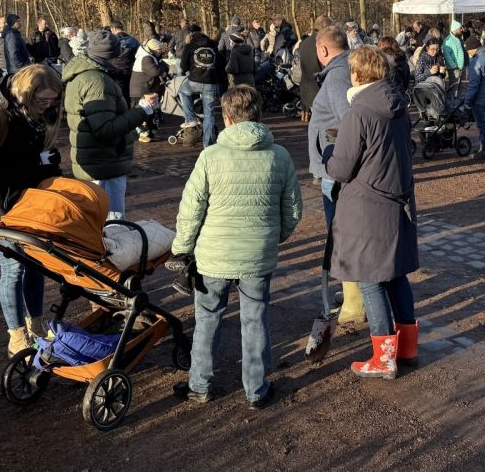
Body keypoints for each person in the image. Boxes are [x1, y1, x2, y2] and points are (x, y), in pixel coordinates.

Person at [171, 86, 301, 407]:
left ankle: (199, 385)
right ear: (258, 114)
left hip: (213, 256)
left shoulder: (210, 156)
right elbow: (293, 210)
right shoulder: (279, 156)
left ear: (226, 118)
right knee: (255, 319)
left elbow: (191, 209)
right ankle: (256, 390)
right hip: (257, 256)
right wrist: (273, 238)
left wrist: (183, 248)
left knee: (208, 318)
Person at [322, 46, 418, 379]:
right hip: (396, 201)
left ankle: (384, 358)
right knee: (396, 275)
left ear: (358, 74)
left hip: (366, 206)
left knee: (370, 280)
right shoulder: (398, 106)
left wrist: (328, 153)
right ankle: (407, 348)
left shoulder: (359, 112)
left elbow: (342, 169)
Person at [0, 64, 62, 354]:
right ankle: (16, 334)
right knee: (13, 268)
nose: (46, 106)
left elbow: (33, 157)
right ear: (24, 92)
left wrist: (48, 162)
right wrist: (34, 163)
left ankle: (35, 322)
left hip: (29, 203)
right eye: (41, 100)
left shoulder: (36, 117)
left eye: (51, 101)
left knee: (35, 265)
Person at [62, 29, 156, 219]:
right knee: (113, 224)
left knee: (97, 221)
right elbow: (105, 130)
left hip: (95, 160)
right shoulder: (97, 81)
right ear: (111, 56)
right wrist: (143, 110)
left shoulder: (81, 74)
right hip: (104, 162)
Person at [307, 25, 366, 323]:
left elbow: (348, 122)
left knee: (341, 233)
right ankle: (352, 289)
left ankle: (356, 302)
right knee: (341, 232)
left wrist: (338, 163)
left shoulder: (336, 75)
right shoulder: (344, 70)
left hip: (336, 170)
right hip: (335, 167)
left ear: (324, 49)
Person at [178, 26, 224, 147]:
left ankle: (191, 118)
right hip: (211, 83)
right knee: (209, 114)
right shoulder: (213, 45)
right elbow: (220, 64)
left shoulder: (190, 46)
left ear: (190, 35)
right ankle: (207, 145)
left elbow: (183, 66)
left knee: (183, 91)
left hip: (194, 81)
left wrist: (193, 68)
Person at [130, 38, 169, 142]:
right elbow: (154, 72)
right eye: (159, 50)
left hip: (144, 89)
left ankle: (148, 133)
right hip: (140, 91)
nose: (160, 52)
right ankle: (143, 134)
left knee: (148, 112)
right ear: (153, 49)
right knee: (142, 113)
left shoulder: (148, 56)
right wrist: (163, 68)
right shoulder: (146, 57)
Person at [299, 15, 331, 117]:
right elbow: (324, 68)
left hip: (306, 88)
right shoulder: (321, 43)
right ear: (326, 28)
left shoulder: (304, 43)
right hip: (319, 91)